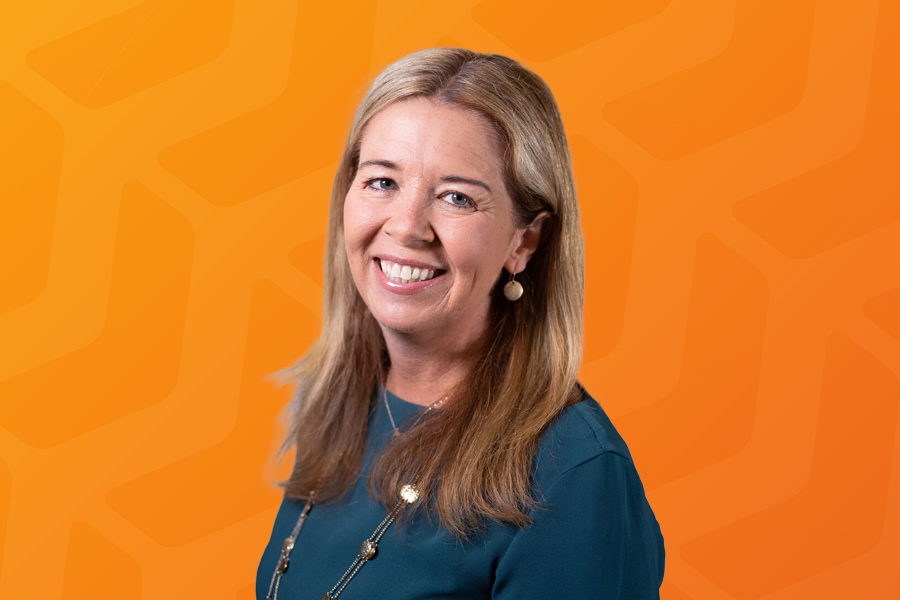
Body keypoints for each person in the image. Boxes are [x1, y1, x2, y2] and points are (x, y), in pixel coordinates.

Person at [256, 47, 664, 599]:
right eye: (382, 182)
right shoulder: (343, 405)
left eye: (456, 198)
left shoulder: (574, 473)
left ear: (526, 241)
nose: (406, 226)